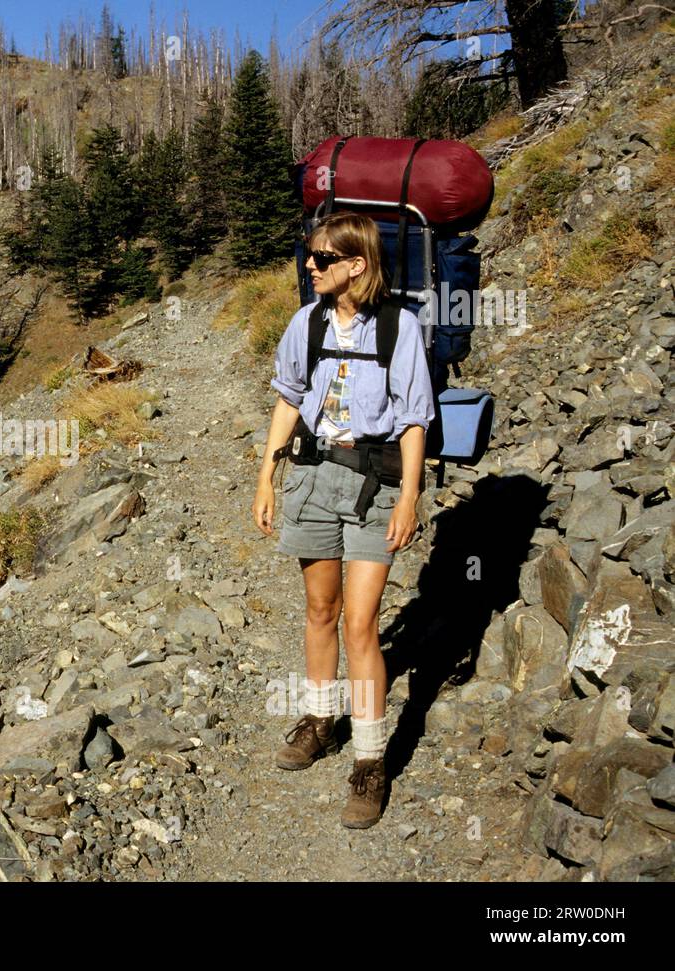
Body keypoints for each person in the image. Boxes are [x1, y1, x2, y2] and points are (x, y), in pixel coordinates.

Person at [252, 211, 435, 829]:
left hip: (376, 483)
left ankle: (369, 760)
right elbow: (286, 397)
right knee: (319, 610)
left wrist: (410, 495)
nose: (311, 265)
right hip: (311, 476)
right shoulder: (304, 324)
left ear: (356, 266)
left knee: (361, 623)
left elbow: (414, 419)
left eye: (323, 259)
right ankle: (320, 718)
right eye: (310, 256)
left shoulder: (400, 329)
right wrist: (266, 476)